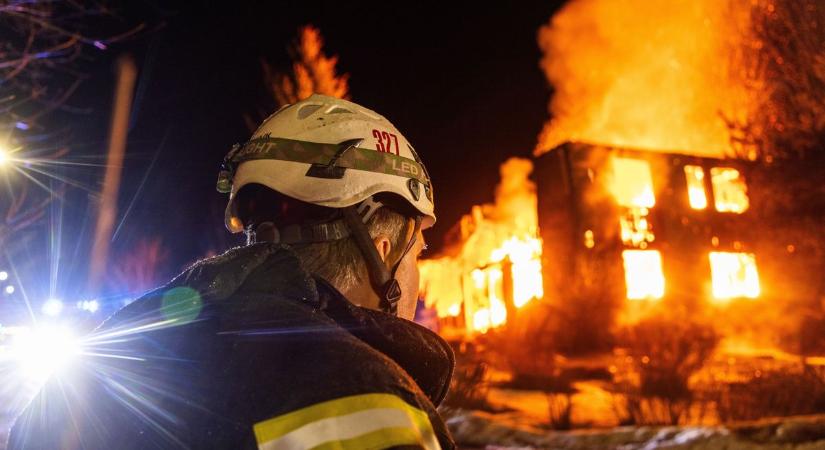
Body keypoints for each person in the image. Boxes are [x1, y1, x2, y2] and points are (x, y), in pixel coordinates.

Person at [9, 94, 455, 449]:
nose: (417, 276)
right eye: (417, 251)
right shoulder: (368, 405)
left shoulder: (94, 371)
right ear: (382, 250)